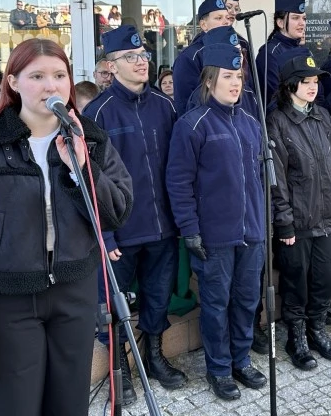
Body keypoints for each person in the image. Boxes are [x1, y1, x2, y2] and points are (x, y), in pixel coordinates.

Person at [0, 38, 132, 416]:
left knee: (69, 406)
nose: (51, 86)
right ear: (13, 82)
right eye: (37, 75)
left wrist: (81, 167)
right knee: (15, 406)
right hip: (8, 300)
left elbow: (117, 212)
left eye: (60, 75)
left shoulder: (88, 139)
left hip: (74, 295)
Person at [84, 26, 186, 403]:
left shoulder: (166, 105)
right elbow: (89, 182)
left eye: (143, 55)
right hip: (121, 233)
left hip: (163, 228)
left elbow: (180, 168)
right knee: (114, 305)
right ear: (111, 65)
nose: (141, 62)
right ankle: (120, 371)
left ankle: (154, 356)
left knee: (158, 298)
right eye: (131, 57)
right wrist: (106, 235)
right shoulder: (98, 113)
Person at [167, 43, 266, 401]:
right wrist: (189, 230)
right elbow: (178, 183)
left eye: (239, 77)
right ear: (209, 81)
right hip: (214, 237)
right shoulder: (192, 124)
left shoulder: (253, 123)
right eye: (228, 76)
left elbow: (259, 178)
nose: (235, 83)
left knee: (246, 300)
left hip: (251, 233)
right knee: (215, 304)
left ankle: (241, 358)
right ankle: (219, 368)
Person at [268, 54, 331, 371]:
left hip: (327, 216)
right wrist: (284, 224)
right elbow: (277, 181)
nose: (312, 87)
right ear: (290, 85)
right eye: (306, 81)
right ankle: (297, 336)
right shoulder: (277, 122)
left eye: (315, 81)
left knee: (326, 280)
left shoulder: (324, 118)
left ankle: (317, 329)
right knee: (296, 283)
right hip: (298, 222)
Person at [171, 0, 229, 113]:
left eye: (227, 18)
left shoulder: (233, 50)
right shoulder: (190, 57)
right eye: (218, 18)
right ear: (203, 25)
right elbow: (185, 104)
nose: (226, 22)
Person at [256, 0, 307, 107]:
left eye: (304, 18)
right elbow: (273, 95)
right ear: (280, 23)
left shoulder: (303, 49)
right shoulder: (269, 53)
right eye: (295, 18)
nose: (302, 23)